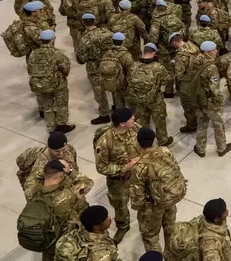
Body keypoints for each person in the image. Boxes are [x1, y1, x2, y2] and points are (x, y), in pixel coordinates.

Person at [129, 127, 186, 253]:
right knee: (170, 229)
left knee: (151, 236)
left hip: (153, 205)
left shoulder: (139, 166)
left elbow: (137, 197)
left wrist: (140, 210)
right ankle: (172, 255)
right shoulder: (165, 151)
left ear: (138, 143)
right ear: (153, 140)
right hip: (170, 198)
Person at [93, 107, 141, 244]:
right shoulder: (105, 142)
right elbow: (101, 167)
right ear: (122, 124)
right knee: (120, 205)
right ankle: (123, 226)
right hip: (119, 181)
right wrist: (125, 168)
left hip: (138, 175)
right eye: (131, 118)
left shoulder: (135, 128)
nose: (134, 119)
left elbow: (146, 144)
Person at [27, 29, 74, 134]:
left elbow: (30, 69)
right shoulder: (56, 53)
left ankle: (51, 126)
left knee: (47, 106)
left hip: (41, 85)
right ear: (52, 39)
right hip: (58, 84)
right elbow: (65, 67)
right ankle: (62, 125)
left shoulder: (33, 54)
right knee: (61, 104)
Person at [192, 41, 231, 157]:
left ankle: (200, 149)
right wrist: (219, 99)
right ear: (207, 52)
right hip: (211, 101)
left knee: (202, 124)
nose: (216, 52)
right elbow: (214, 88)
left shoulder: (197, 61)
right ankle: (221, 148)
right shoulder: (212, 67)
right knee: (218, 125)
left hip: (200, 99)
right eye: (213, 50)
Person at [55, 205, 119, 261]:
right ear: (96, 226)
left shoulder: (82, 229)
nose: (110, 218)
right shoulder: (100, 255)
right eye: (105, 219)